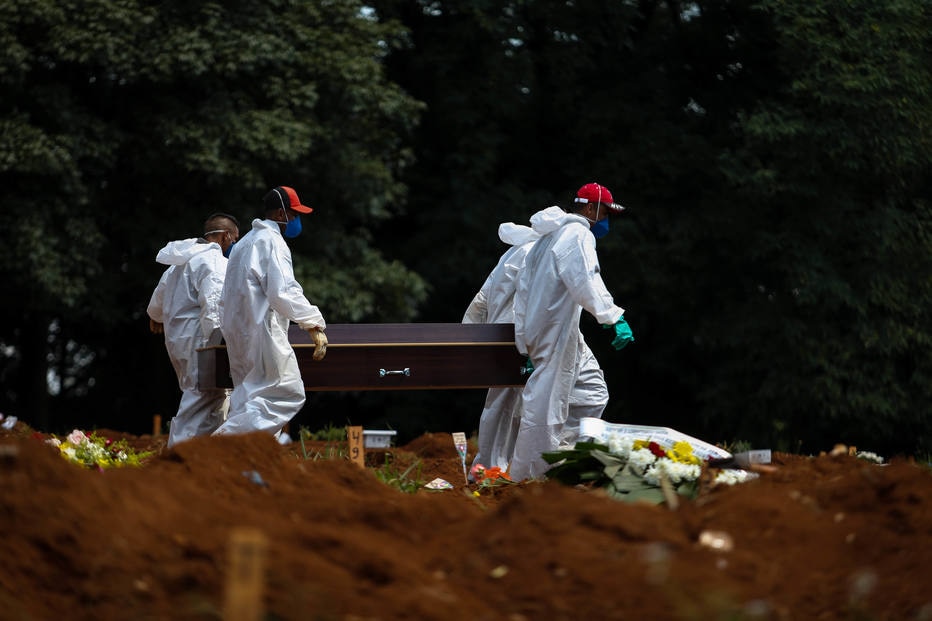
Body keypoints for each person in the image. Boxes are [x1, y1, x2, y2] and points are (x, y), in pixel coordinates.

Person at [510, 182, 634, 481]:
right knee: (546, 407)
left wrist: (524, 342)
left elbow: (523, 290)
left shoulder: (551, 235)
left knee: (592, 393)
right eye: (604, 213)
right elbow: (586, 279)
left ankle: (565, 460)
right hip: (553, 333)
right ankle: (532, 477)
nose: (605, 221)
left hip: (554, 329)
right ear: (590, 209)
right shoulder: (578, 234)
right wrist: (612, 316)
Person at [213, 185, 328, 438]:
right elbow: (283, 292)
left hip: (239, 331)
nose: (297, 220)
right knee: (285, 394)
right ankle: (217, 445)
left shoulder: (244, 243)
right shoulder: (272, 242)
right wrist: (312, 322)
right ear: (279, 214)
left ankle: (242, 466)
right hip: (261, 331)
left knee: (249, 397)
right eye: (294, 214)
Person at [147, 213, 241, 447]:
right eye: (236, 239)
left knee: (204, 399)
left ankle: (200, 462)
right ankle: (178, 459)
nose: (236, 245)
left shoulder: (180, 263)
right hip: (202, 343)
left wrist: (157, 317)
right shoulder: (215, 262)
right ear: (226, 236)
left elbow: (155, 306)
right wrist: (221, 346)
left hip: (178, 343)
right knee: (202, 400)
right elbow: (213, 307)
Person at [463, 221, 541, 474]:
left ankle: (489, 468)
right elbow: (526, 305)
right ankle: (501, 470)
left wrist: (469, 336)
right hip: (519, 339)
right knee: (515, 406)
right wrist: (526, 345)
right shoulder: (535, 254)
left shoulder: (512, 252)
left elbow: (481, 300)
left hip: (501, 336)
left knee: (501, 404)